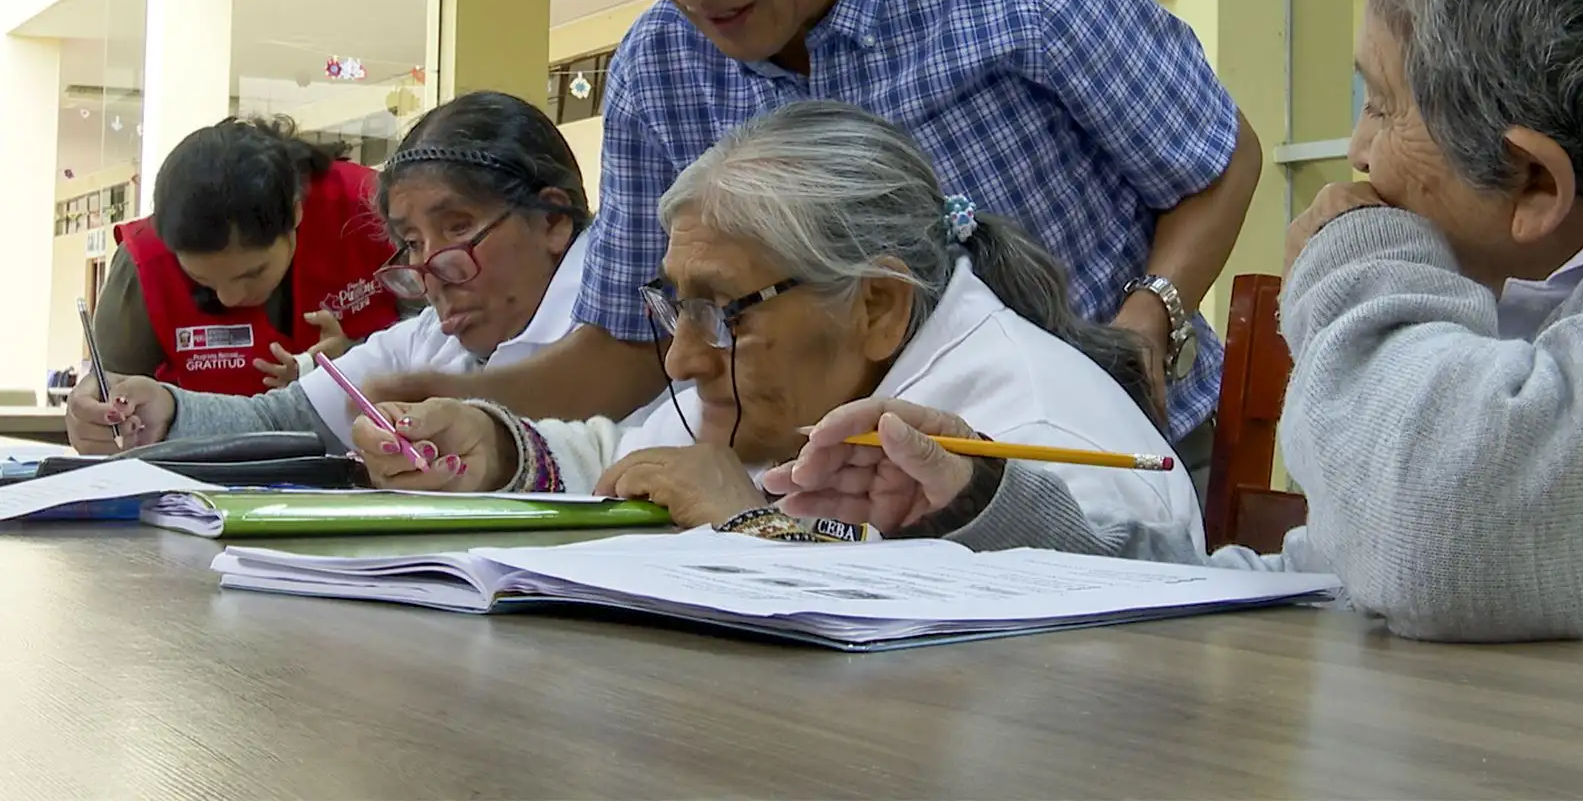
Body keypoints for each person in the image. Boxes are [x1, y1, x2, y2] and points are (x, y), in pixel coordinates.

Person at [764, 0, 1583, 666]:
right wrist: (996, 512)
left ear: (1534, 179)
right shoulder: (1556, 296)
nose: (1357, 152)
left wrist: (1360, 265)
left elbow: (1432, 531)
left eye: (1385, 104)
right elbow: (1320, 588)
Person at [367, 0, 1260, 492]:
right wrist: (452, 402)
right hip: (841, 491)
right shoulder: (661, 69)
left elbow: (1215, 162)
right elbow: (630, 351)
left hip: (1110, 456)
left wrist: (1143, 329)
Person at [350, 102, 1202, 546]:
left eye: (718, 312)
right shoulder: (808, 371)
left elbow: (1062, 635)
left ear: (876, 305)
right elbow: (651, 463)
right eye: (675, 306)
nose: (681, 357)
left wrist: (756, 526)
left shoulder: (1031, 424)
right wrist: (495, 446)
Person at [64, 92, 591, 455]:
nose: (430, 273)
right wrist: (167, 410)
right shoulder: (424, 341)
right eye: (410, 243)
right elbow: (281, 420)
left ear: (552, 220)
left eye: (458, 227)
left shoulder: (635, 337)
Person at [96, 116, 401, 394]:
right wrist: (95, 416)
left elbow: (440, 343)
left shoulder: (372, 210)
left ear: (295, 213)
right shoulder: (143, 263)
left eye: (253, 273)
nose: (229, 297)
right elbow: (111, 394)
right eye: (201, 280)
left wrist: (360, 357)